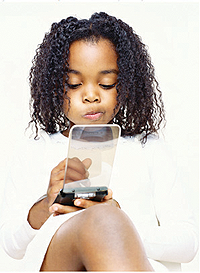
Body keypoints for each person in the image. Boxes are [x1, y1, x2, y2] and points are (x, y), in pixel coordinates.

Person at [0, 12, 198, 271]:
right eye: (73, 84)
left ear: (125, 85)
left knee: (104, 218)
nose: (91, 95)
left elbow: (189, 244)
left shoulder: (148, 148)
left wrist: (118, 220)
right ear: (54, 87)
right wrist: (46, 206)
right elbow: (11, 247)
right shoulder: (37, 150)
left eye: (106, 84)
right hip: (62, 262)